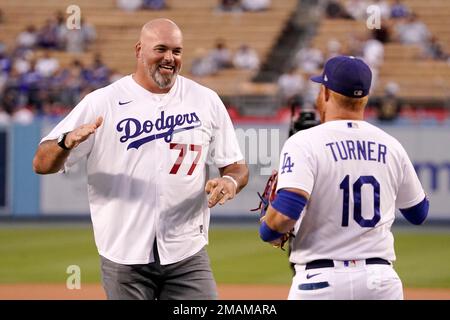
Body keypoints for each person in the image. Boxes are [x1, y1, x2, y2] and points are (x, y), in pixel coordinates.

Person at [32, 18, 249, 300]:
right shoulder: (103, 102)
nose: (170, 58)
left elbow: (236, 166)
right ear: (139, 50)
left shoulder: (205, 100)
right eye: (161, 49)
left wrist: (230, 181)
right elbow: (41, 164)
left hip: (186, 252)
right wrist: (65, 142)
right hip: (124, 254)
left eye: (177, 51)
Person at [258, 56, 429, 300]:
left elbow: (283, 216)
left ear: (325, 93)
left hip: (320, 283)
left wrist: (268, 229)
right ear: (365, 98)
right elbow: (418, 213)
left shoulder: (304, 142)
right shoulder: (391, 145)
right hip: (380, 282)